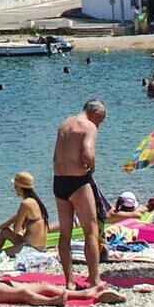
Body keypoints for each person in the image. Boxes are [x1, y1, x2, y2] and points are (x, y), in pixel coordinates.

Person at [52, 103, 110, 296]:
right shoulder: (88, 126)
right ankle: (94, 279)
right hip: (77, 181)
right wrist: (90, 166)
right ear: (94, 113)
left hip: (59, 181)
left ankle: (69, 281)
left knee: (65, 233)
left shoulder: (64, 123)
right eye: (100, 121)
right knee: (90, 231)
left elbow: (55, 155)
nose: (99, 126)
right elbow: (87, 151)